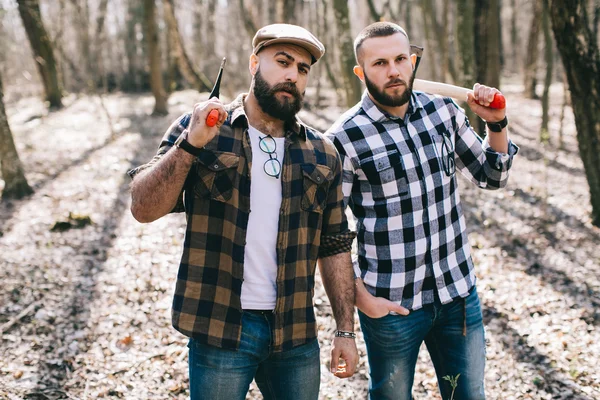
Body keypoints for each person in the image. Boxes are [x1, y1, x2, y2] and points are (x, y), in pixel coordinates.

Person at [129, 24, 358, 400]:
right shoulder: (204, 128)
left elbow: (334, 245)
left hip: (295, 332)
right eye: (282, 62)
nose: (292, 75)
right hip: (221, 328)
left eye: (302, 69)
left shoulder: (322, 152)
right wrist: (191, 145)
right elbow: (143, 208)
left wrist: (345, 331)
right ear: (254, 63)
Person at [325, 22, 518, 400]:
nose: (393, 70)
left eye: (400, 59)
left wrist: (496, 123)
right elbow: (328, 231)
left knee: (468, 395)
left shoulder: (443, 113)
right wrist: (362, 298)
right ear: (361, 72)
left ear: (412, 61)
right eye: (380, 63)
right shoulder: (344, 137)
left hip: (458, 295)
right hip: (391, 305)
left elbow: (492, 176)